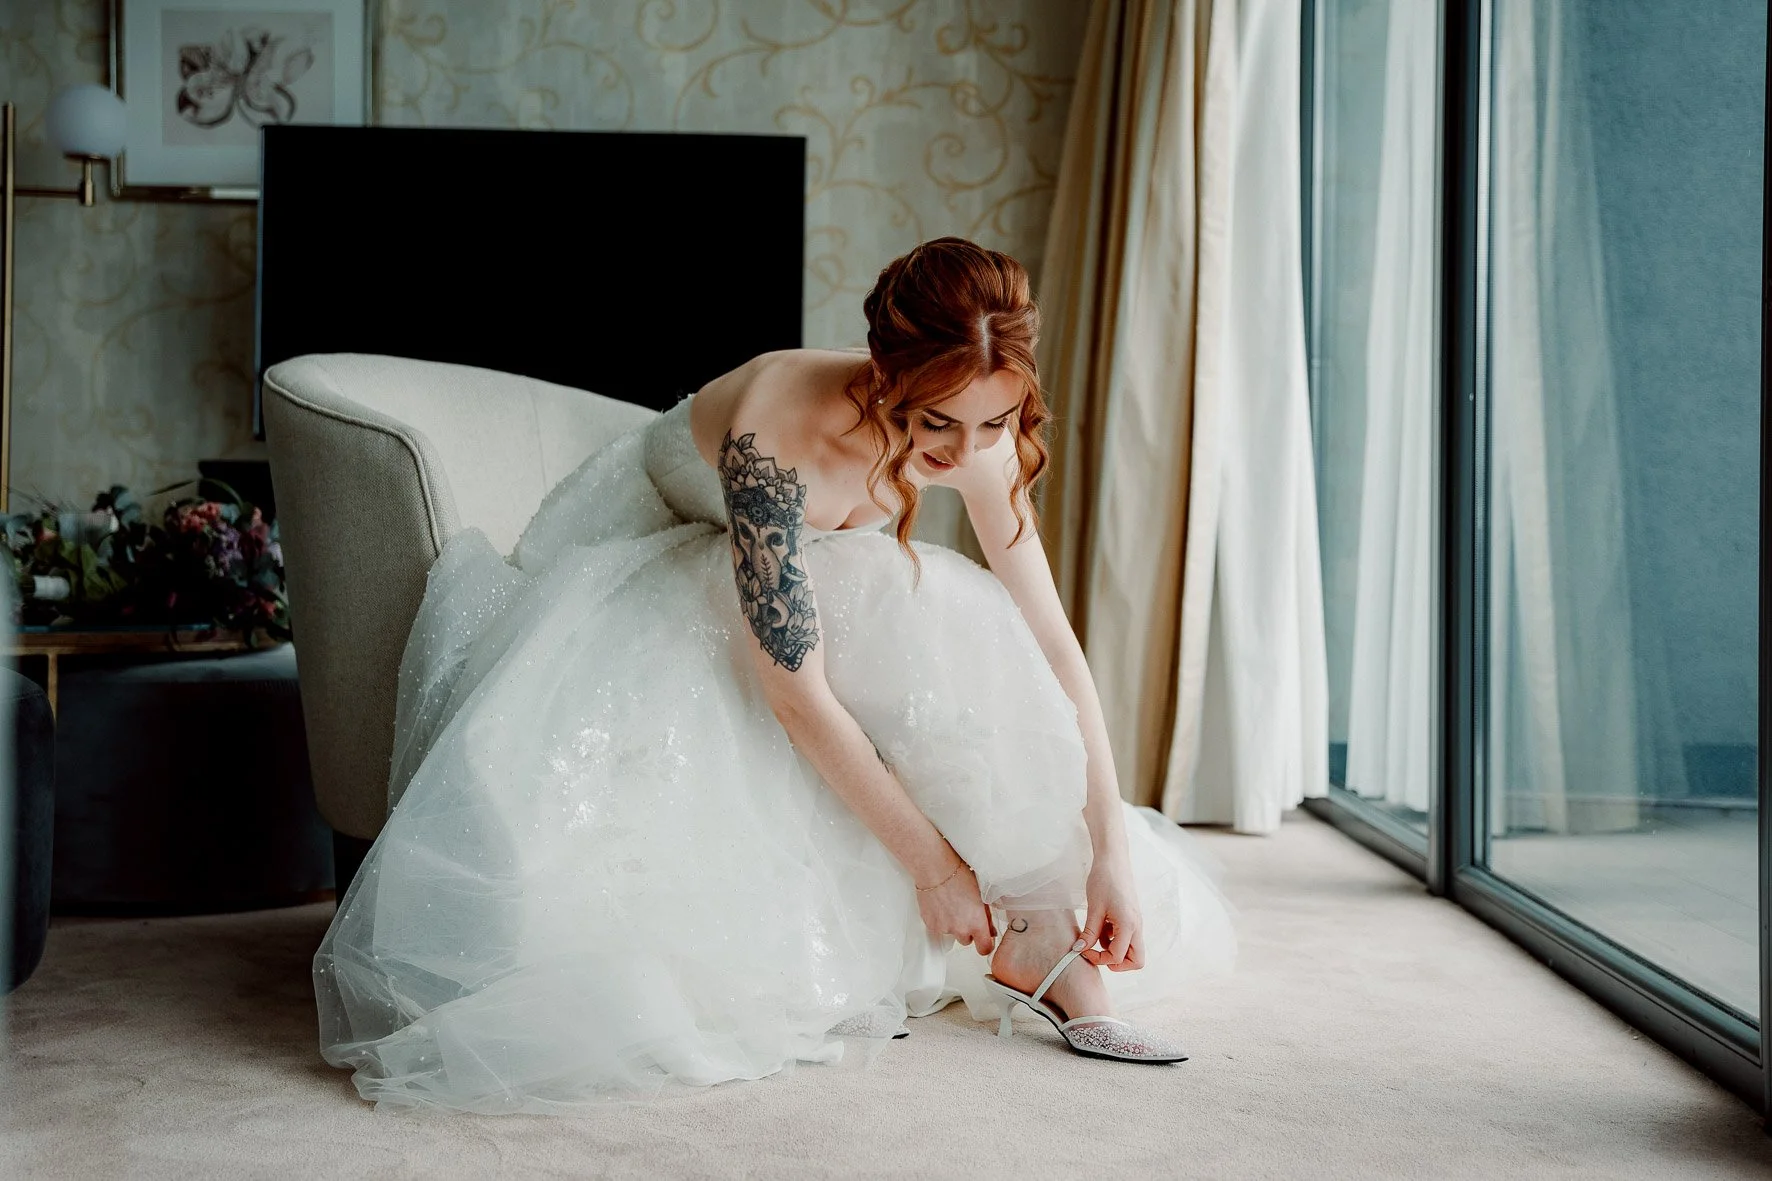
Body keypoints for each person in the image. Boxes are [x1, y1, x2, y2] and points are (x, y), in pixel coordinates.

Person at [313, 236, 1236, 1114]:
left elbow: (1052, 644)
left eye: (992, 422)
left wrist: (1107, 850)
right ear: (886, 375)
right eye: (938, 424)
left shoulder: (982, 434)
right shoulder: (773, 438)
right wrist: (937, 869)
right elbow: (795, 693)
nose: (966, 454)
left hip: (812, 569)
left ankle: (1042, 925)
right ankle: (902, 936)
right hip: (658, 538)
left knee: (960, 614)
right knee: (805, 653)